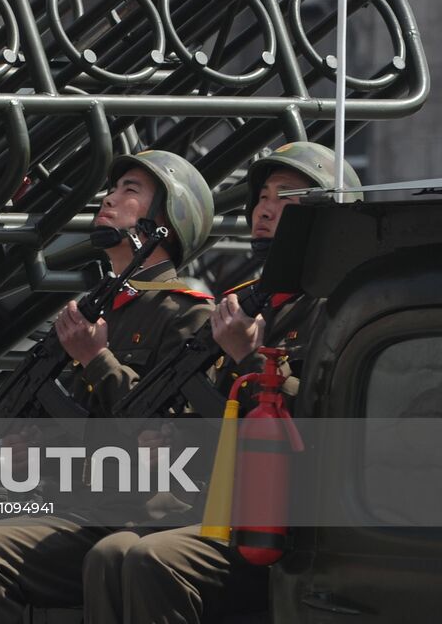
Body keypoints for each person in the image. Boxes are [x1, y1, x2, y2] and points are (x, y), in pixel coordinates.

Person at [0, 149, 216, 624]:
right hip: (85, 505)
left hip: (142, 515)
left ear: (166, 222)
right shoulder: (104, 308)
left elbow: (168, 434)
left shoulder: (187, 315)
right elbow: (91, 424)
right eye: (113, 188)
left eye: (130, 191)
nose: (110, 198)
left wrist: (97, 360)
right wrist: (38, 447)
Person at [82, 141, 360, 624]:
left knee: (150, 560)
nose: (264, 209)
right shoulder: (246, 307)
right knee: (112, 556)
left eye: (285, 197)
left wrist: (248, 356)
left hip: (300, 523)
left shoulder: (342, 310)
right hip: (231, 506)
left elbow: (321, 425)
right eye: (262, 198)